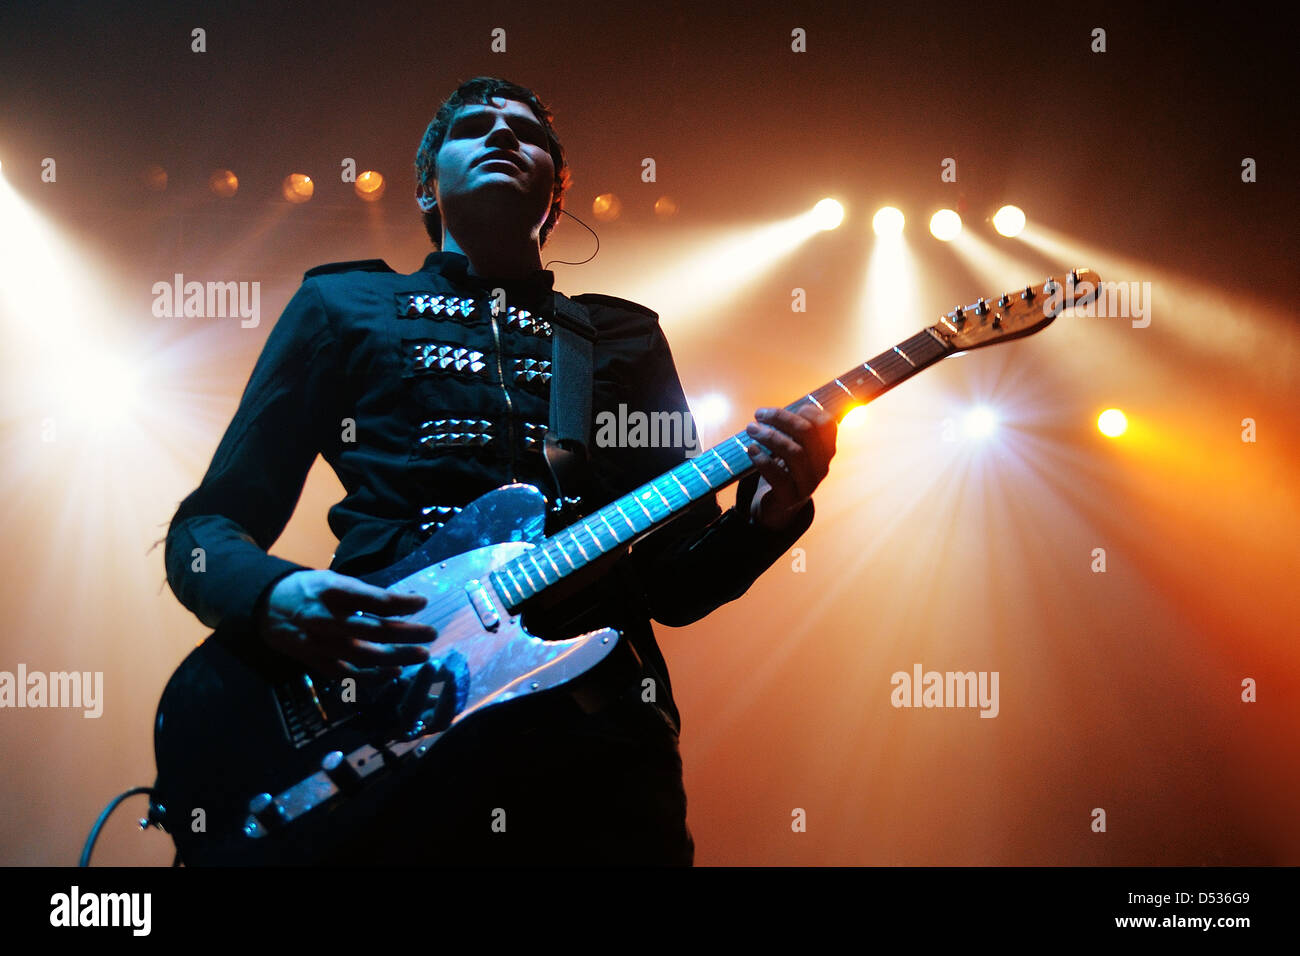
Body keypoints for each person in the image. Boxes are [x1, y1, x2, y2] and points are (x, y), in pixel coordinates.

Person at [164, 76, 838, 865]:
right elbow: (207, 528)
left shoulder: (621, 337)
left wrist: (768, 518)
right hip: (389, 712)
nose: (503, 135)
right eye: (476, 126)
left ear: (554, 196)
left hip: (592, 743)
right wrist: (273, 594)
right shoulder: (342, 306)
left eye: (529, 133)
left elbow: (675, 584)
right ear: (426, 183)